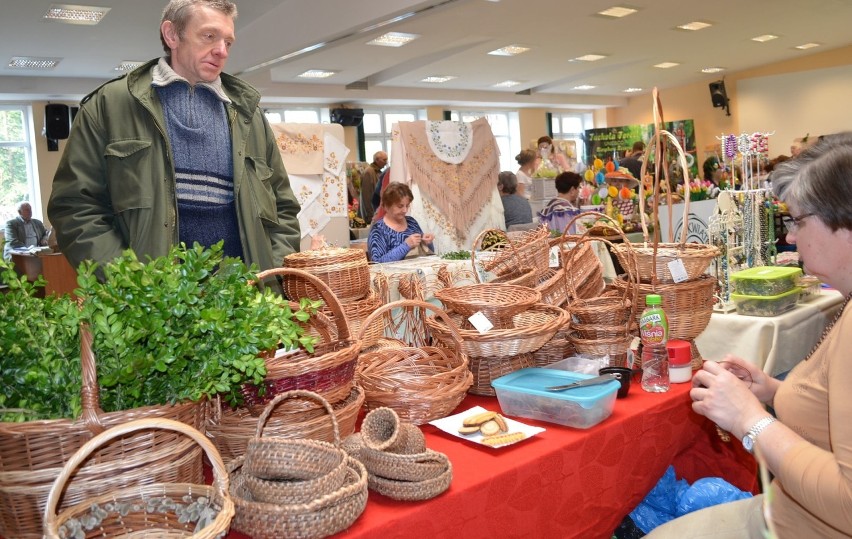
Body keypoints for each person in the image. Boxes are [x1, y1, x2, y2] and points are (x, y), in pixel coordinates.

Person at [646, 132, 852, 538]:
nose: (790, 236)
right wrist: (774, 391)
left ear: (844, 223)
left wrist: (749, 420)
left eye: (798, 220)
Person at [47, 0, 301, 272]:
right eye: (209, 36)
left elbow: (283, 210)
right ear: (171, 35)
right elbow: (75, 208)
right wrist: (131, 283)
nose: (221, 51)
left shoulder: (249, 115)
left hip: (244, 300)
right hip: (153, 305)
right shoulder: (109, 105)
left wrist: (272, 274)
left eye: (228, 42)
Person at [368, 182, 433, 263]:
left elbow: (428, 253)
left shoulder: (411, 222)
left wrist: (427, 242)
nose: (405, 210)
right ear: (387, 206)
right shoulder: (378, 230)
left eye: (407, 205)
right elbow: (377, 263)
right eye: (400, 206)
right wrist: (406, 246)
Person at [358, 150, 388, 224]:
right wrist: (370, 215)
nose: (386, 162)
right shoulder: (369, 172)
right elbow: (366, 196)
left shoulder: (377, 172)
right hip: (371, 214)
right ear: (377, 160)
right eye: (384, 160)